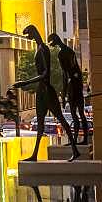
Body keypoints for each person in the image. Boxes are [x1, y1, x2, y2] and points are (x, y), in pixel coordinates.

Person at [12, 25, 79, 161]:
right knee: (41, 124)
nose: (28, 37)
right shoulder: (39, 48)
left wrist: (24, 83)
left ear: (34, 32)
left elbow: (45, 73)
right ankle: (35, 155)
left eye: (29, 34)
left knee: (61, 119)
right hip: (41, 91)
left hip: (46, 91)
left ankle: (74, 149)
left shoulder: (43, 49)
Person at [49, 33, 90, 145]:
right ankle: (80, 140)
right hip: (77, 83)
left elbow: (65, 74)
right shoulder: (69, 51)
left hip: (73, 85)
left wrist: (64, 92)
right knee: (79, 114)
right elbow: (74, 70)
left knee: (75, 113)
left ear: (55, 41)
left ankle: (77, 141)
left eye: (51, 43)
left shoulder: (62, 53)